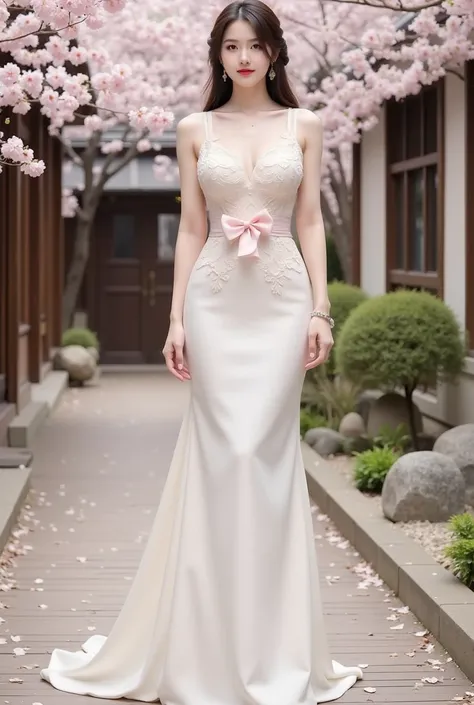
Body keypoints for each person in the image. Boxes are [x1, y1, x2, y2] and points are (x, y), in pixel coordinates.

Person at [40, 1, 363, 702]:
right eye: (230, 46)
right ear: (217, 55)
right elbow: (190, 226)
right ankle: (203, 642)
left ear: (275, 52)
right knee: (221, 454)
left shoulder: (302, 125)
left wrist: (320, 307)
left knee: (264, 455)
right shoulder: (196, 129)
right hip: (217, 301)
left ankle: (272, 645)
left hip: (279, 300)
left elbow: (308, 220)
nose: (243, 57)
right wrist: (178, 318)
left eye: (255, 45)